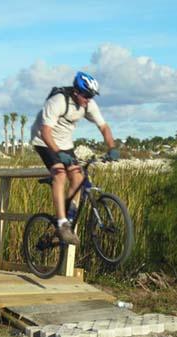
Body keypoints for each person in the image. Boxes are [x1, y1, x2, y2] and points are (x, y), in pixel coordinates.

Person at [30, 71, 119, 245]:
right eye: (86, 95)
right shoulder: (57, 101)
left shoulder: (88, 105)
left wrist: (112, 147)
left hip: (65, 143)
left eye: (91, 96)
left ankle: (67, 220)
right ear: (77, 92)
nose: (88, 99)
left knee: (78, 178)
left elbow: (104, 127)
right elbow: (46, 132)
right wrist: (59, 154)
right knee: (60, 173)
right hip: (44, 141)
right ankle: (62, 223)